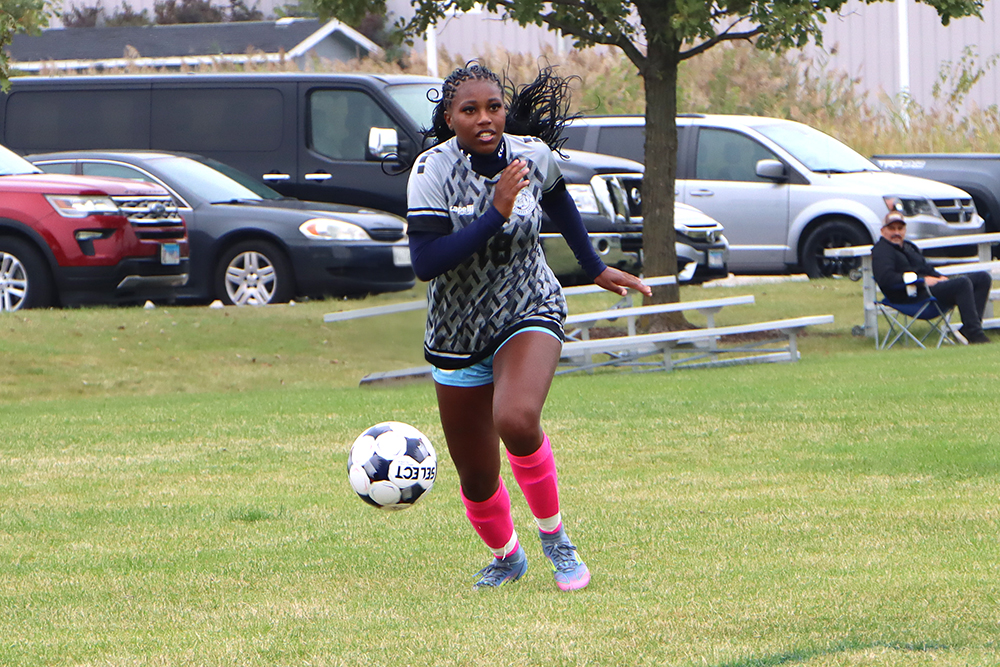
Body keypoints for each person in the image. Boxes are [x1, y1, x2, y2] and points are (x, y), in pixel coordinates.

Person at [406, 62, 651, 591]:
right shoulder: (430, 171)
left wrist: (594, 266)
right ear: (450, 118)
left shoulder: (531, 155)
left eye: (493, 106)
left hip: (528, 305)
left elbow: (559, 199)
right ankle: (507, 555)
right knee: (476, 477)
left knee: (516, 420)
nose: (484, 118)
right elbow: (426, 262)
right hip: (455, 331)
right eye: (469, 110)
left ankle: (556, 541)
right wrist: (493, 213)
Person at [872, 210, 992, 344]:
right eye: (892, 228)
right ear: (883, 231)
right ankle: (975, 334)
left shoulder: (909, 247)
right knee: (962, 283)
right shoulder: (881, 251)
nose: (896, 233)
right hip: (910, 296)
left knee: (982, 278)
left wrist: (940, 277)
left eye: (900, 228)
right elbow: (885, 278)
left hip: (930, 289)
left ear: (905, 230)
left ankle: (966, 331)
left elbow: (926, 268)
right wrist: (921, 281)